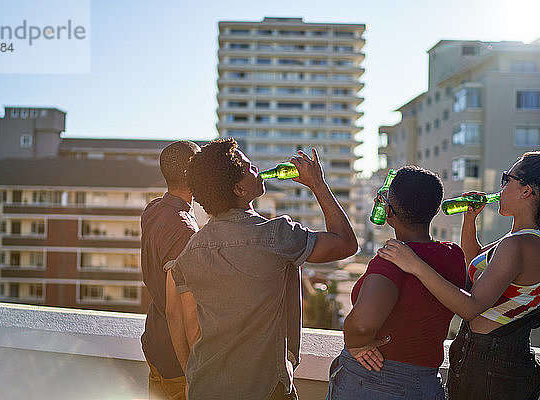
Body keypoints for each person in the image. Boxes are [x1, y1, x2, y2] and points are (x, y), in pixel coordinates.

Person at [168, 138, 358, 400]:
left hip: (205, 387)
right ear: (238, 189)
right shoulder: (277, 236)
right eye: (248, 168)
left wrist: (190, 378)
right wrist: (317, 184)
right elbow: (346, 244)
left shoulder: (190, 252)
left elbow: (188, 324)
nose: (256, 169)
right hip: (265, 390)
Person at [378, 151, 540, 400]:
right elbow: (474, 263)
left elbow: (470, 307)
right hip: (496, 359)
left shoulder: (518, 245)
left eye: (507, 179)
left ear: (526, 190)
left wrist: (415, 264)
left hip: (491, 364)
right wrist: (470, 219)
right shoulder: (521, 240)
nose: (501, 186)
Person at [327, 166, 466, 400]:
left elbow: (361, 326)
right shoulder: (453, 255)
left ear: (389, 212)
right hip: (425, 383)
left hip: (372, 380)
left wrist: (354, 344)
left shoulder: (392, 259)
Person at [140, 140, 201, 400]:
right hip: (176, 361)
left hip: (154, 343)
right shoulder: (184, 231)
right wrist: (190, 373)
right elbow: (178, 311)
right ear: (192, 174)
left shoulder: (153, 209)